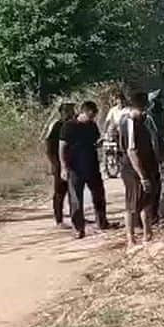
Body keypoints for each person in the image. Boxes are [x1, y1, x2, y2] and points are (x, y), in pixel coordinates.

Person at [59, 100, 109, 238]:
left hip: (92, 165)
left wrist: (100, 142)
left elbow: (95, 142)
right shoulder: (68, 126)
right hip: (74, 167)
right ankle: (78, 228)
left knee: (99, 194)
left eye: (94, 116)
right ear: (83, 112)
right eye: (90, 115)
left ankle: (102, 222)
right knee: (76, 199)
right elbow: (62, 147)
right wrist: (64, 167)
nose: (92, 118)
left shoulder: (92, 125)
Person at [120, 90, 161, 249]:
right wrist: (142, 176)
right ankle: (130, 238)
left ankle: (147, 234)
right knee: (132, 204)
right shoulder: (129, 123)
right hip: (133, 170)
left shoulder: (142, 121)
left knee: (147, 202)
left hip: (147, 166)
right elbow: (131, 151)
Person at [42, 102, 75, 228]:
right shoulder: (56, 125)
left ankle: (76, 218)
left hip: (73, 163)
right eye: (67, 110)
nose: (71, 112)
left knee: (74, 192)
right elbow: (49, 147)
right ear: (61, 112)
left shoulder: (73, 124)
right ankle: (59, 220)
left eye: (72, 110)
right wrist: (56, 164)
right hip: (59, 163)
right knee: (60, 192)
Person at [147, 88, 164, 161]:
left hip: (161, 135)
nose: (160, 100)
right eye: (158, 99)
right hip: (153, 136)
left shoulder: (161, 110)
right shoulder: (148, 113)